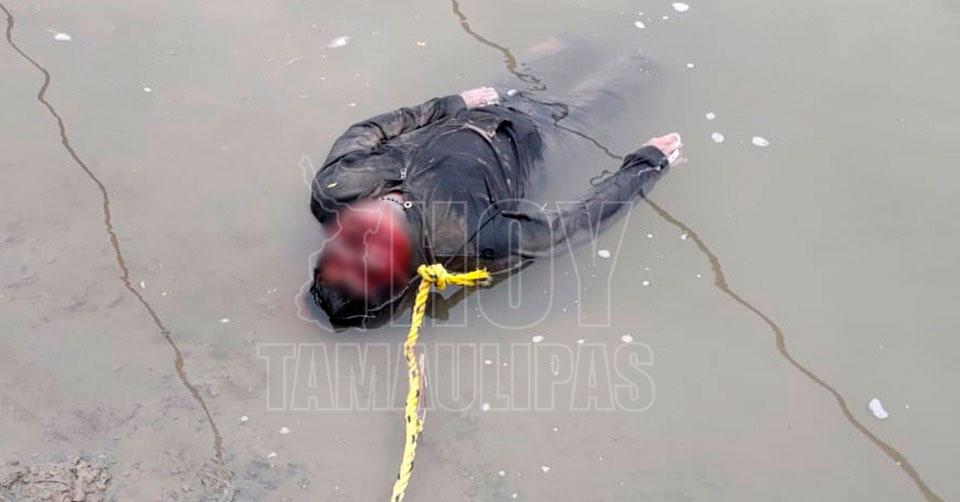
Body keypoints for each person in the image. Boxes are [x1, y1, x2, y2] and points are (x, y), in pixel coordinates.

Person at [309, 85, 682, 325]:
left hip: (480, 103)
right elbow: (571, 227)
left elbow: (368, 132)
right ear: (406, 275)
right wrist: (646, 165)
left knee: (555, 52)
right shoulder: (468, 240)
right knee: (622, 85)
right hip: (543, 136)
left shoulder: (334, 189)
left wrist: (451, 104)